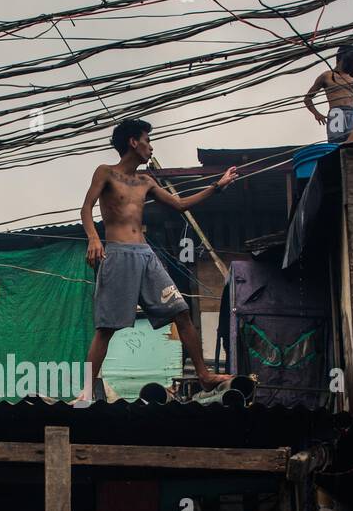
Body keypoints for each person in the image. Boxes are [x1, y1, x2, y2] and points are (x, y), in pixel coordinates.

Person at [78, 118, 236, 401]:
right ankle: (87, 391)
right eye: (147, 140)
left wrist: (217, 186)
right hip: (118, 255)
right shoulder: (105, 173)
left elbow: (179, 204)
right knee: (106, 328)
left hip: (145, 255)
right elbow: (86, 208)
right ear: (133, 142)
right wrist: (93, 237)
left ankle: (205, 376)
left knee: (181, 310)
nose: (151, 147)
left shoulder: (146, 181)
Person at [303, 47, 353, 144]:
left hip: (352, 112)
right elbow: (307, 99)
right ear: (342, 58)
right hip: (336, 113)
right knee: (335, 145)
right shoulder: (326, 76)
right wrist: (317, 114)